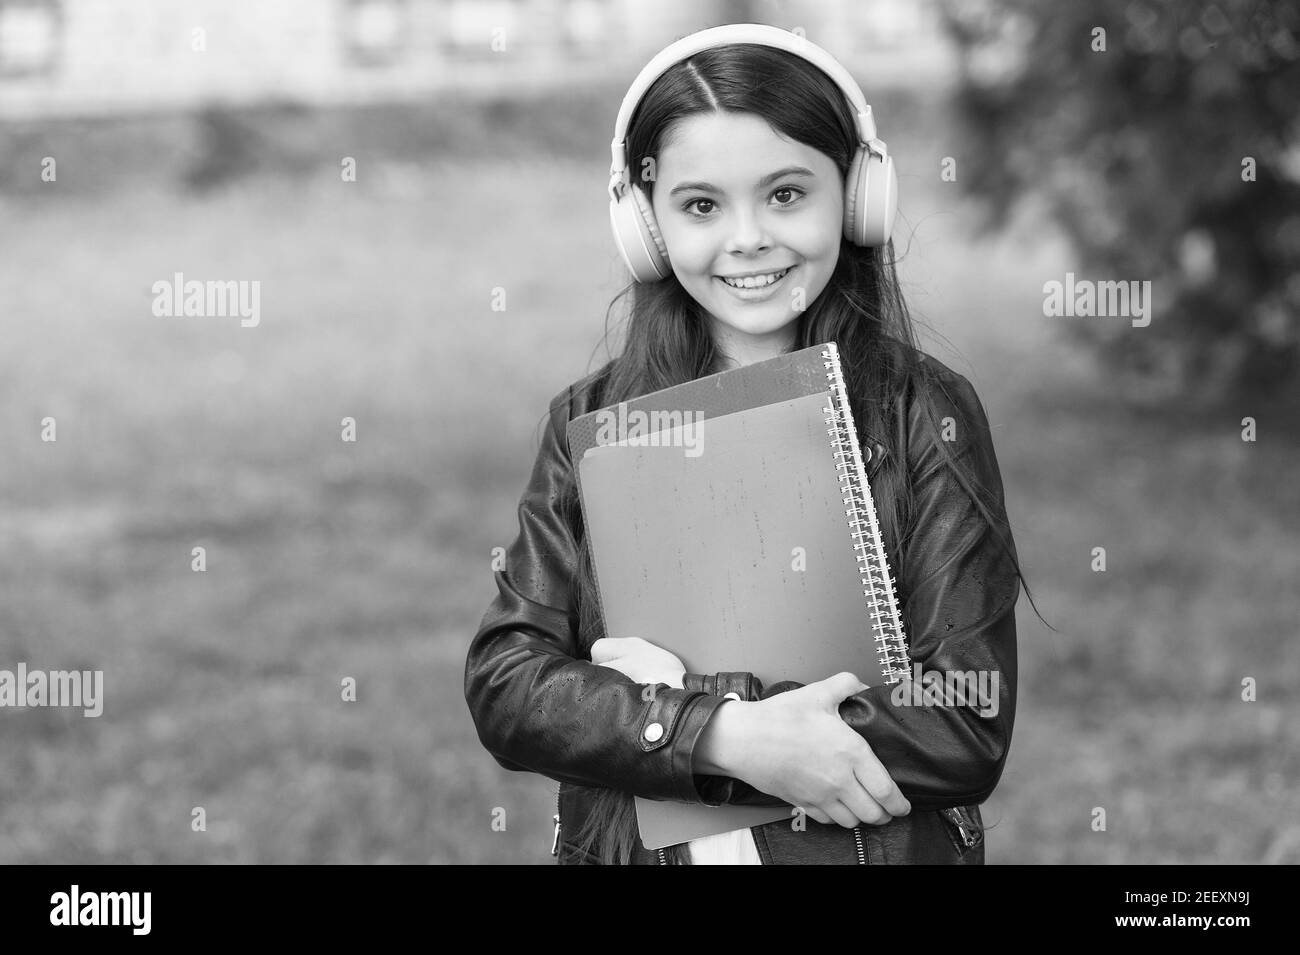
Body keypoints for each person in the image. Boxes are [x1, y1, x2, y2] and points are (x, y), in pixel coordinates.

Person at [464, 24, 1042, 865]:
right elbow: (508, 685)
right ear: (647, 225)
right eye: (701, 205)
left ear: (854, 198)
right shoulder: (590, 426)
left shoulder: (928, 412)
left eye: (785, 195)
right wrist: (728, 734)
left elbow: (964, 722)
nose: (747, 240)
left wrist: (680, 709)